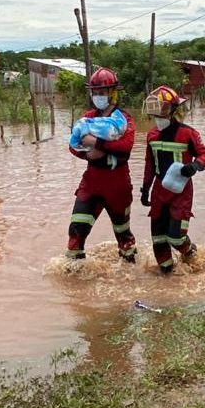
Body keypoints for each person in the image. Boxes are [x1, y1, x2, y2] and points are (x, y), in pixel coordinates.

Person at [66, 67, 137, 262]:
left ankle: (131, 277)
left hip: (118, 185)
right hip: (91, 184)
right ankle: (75, 285)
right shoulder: (88, 118)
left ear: (112, 93)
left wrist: (95, 143)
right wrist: (90, 156)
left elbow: (125, 147)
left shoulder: (124, 119)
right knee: (76, 231)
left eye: (102, 93)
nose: (98, 96)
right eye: (95, 93)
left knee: (123, 234)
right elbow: (73, 146)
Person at [141, 85, 205, 274]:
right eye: (155, 110)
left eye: (162, 109)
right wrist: (145, 188)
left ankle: (191, 253)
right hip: (158, 192)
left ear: (172, 110)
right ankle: (169, 282)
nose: (158, 115)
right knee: (158, 241)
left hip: (181, 193)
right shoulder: (151, 136)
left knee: (176, 237)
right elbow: (149, 164)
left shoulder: (188, 134)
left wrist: (194, 166)